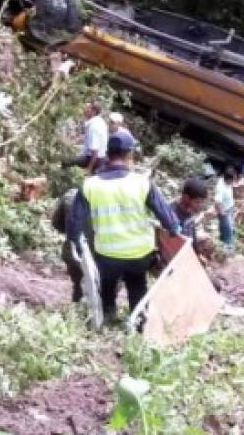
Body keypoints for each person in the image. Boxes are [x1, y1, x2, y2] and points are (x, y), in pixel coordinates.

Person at [67, 133, 181, 320]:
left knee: (107, 283)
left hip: (107, 255)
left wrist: (77, 246)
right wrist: (174, 229)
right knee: (137, 284)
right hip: (140, 255)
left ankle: (109, 313)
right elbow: (169, 220)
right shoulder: (142, 183)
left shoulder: (89, 186)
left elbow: (74, 226)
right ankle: (139, 319)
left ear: (108, 154)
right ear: (129, 154)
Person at [50, 187, 84, 302]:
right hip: (107, 255)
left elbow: (56, 223)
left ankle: (77, 310)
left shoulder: (71, 195)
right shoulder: (116, 196)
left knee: (78, 284)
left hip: (74, 252)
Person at [172, 177, 210, 254]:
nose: (200, 205)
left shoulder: (189, 210)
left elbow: (192, 233)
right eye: (198, 202)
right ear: (186, 197)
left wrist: (197, 254)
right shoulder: (171, 215)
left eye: (202, 202)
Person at [214, 166, 236, 251]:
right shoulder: (221, 187)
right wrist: (222, 212)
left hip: (229, 208)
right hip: (225, 211)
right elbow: (217, 201)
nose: (233, 181)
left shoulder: (228, 182)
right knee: (228, 231)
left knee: (225, 229)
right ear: (227, 179)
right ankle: (228, 250)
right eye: (232, 180)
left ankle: (222, 245)